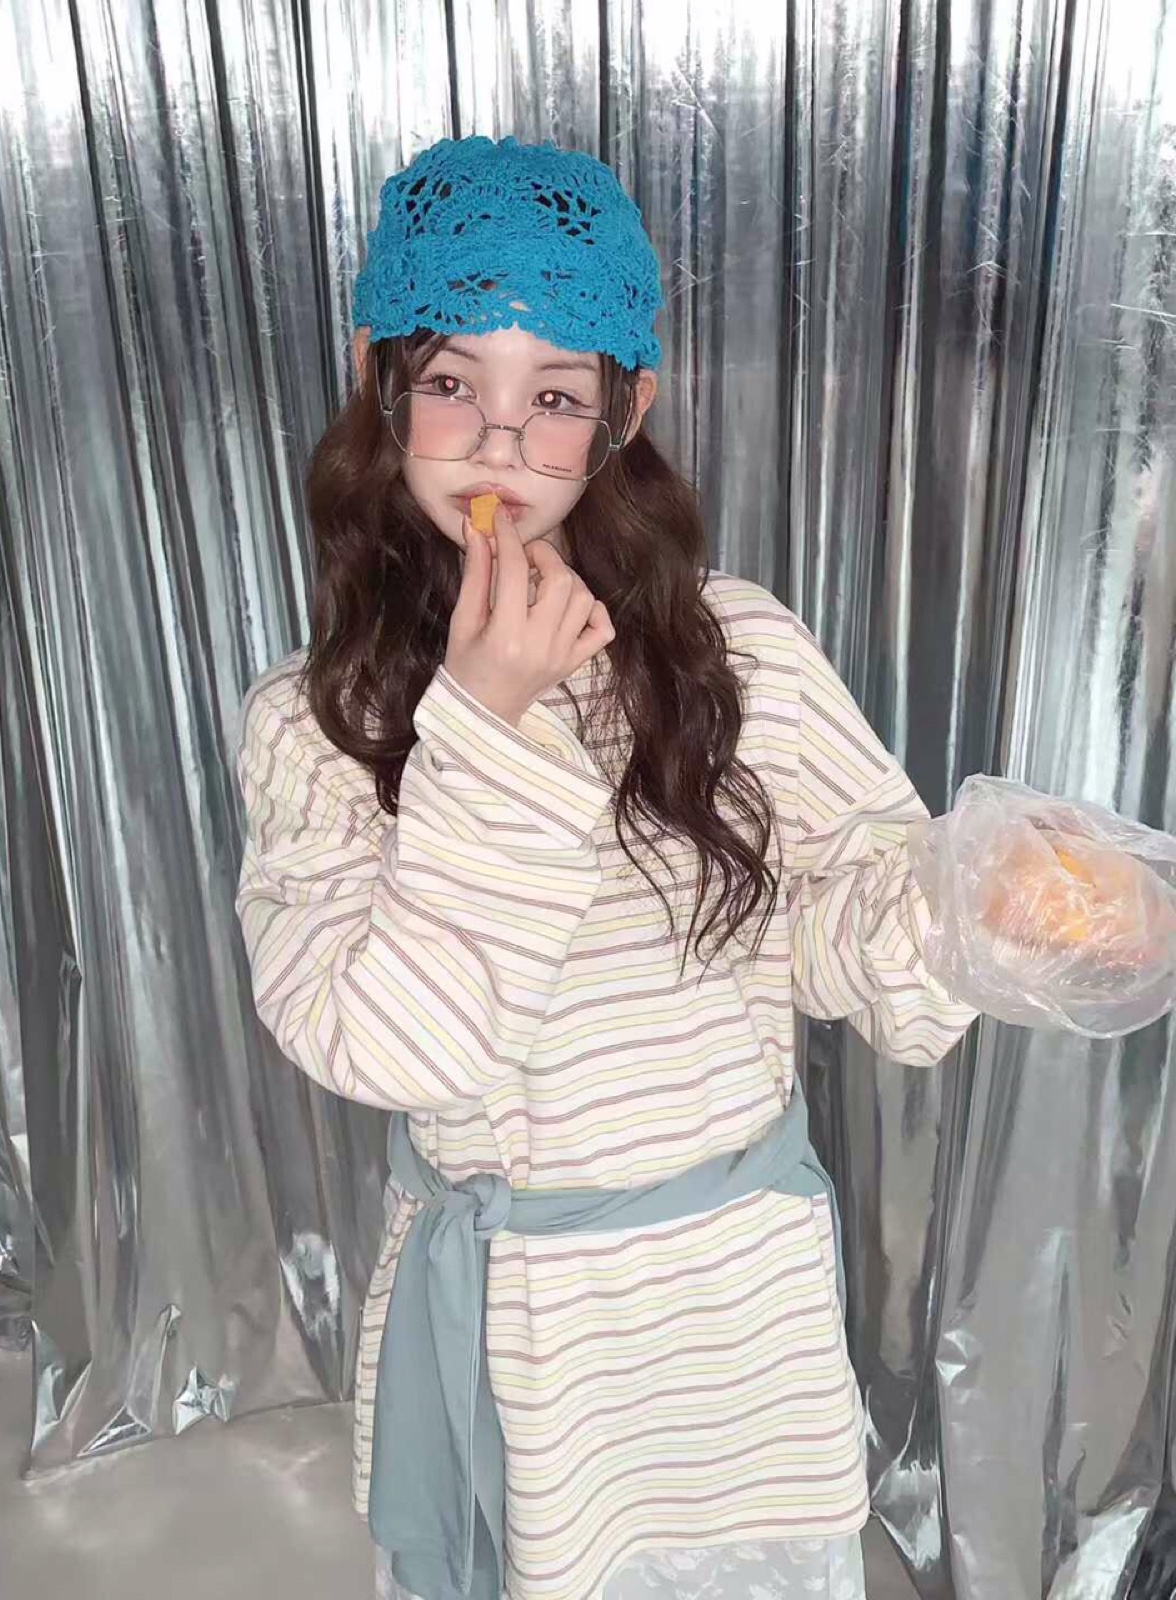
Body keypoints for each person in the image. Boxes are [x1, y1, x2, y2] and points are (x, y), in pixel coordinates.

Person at [233, 135, 979, 1600]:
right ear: (382, 386)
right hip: (519, 1332)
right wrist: (483, 724)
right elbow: (388, 1045)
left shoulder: (739, 650)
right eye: (455, 384)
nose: (502, 446)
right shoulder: (315, 722)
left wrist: (981, 909)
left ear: (624, 413)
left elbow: (843, 932)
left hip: (730, 1311)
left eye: (557, 398)